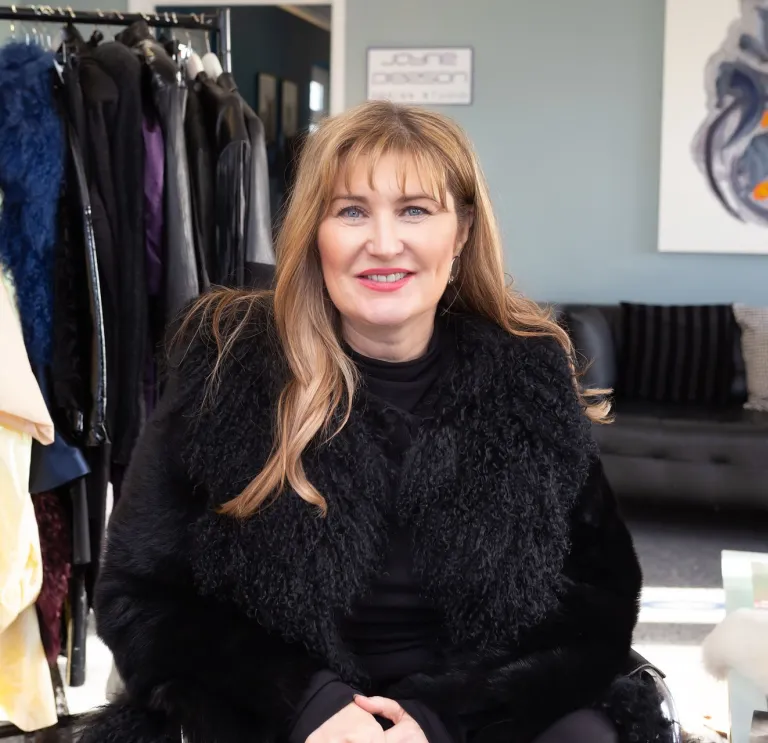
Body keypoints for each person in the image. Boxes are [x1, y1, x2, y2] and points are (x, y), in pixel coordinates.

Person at [78, 101, 671, 743]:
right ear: (315, 230)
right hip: (275, 717)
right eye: (352, 210)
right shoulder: (227, 371)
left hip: (472, 717)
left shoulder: (528, 376)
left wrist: (438, 717)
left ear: (462, 230)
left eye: (415, 209)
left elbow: (595, 598)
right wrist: (310, 706)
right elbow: (138, 596)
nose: (383, 243)